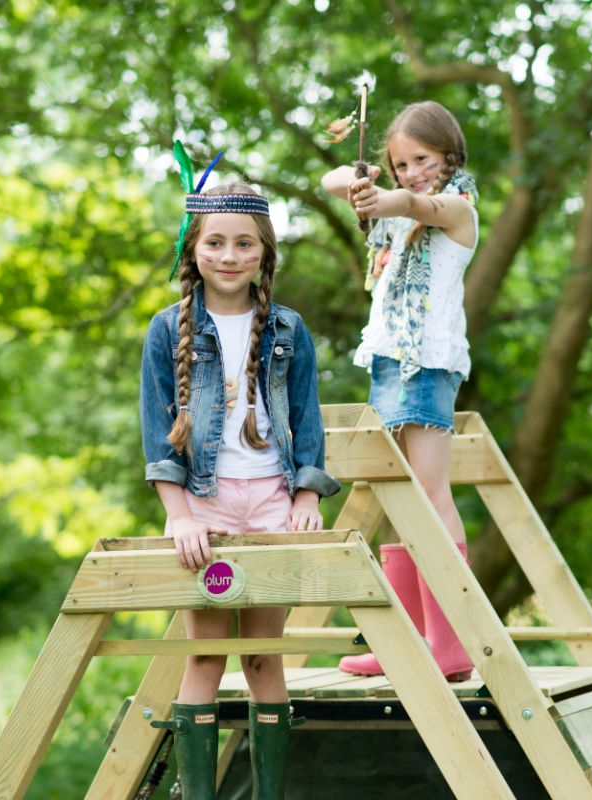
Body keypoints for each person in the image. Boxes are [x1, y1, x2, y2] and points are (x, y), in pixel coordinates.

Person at [140, 156, 341, 798]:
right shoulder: (165, 330)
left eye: (244, 243)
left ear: (264, 253)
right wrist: (179, 515)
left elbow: (308, 419)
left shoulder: (289, 329)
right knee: (204, 652)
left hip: (273, 503)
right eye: (216, 242)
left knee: (262, 653)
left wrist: (306, 496)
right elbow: (155, 431)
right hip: (207, 508)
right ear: (193, 250)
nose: (229, 255)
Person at [321, 100, 479, 682]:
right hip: (390, 363)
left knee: (431, 496)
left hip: (427, 363)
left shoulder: (456, 209)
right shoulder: (392, 215)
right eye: (399, 162)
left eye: (423, 158)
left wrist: (389, 196)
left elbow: (418, 203)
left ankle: (450, 643)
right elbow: (330, 178)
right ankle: (407, 641)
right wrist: (357, 182)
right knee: (395, 499)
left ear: (449, 154)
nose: (412, 171)